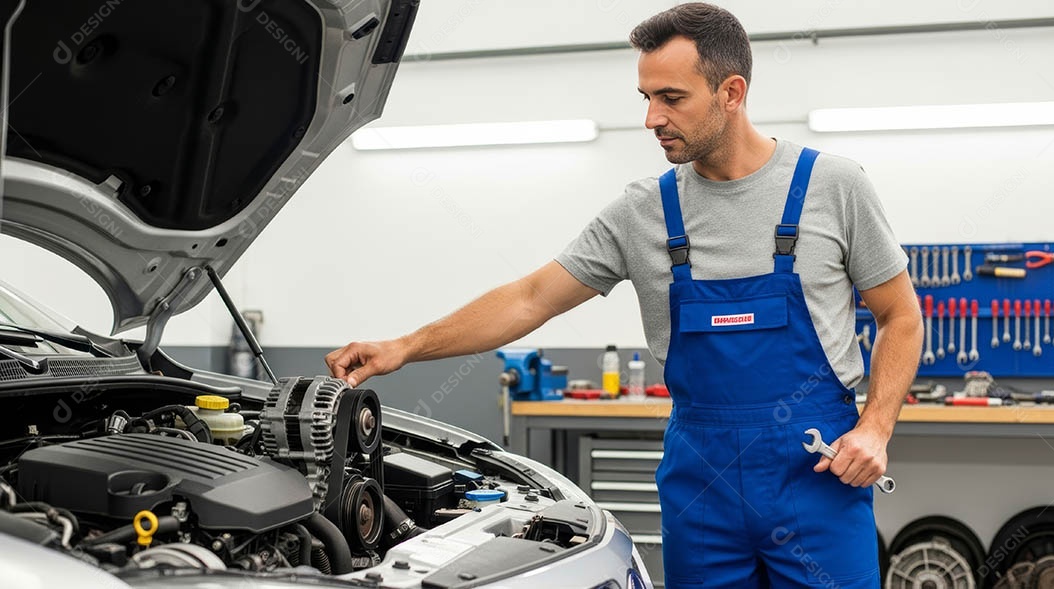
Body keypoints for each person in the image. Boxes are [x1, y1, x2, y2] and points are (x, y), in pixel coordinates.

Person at [327, 3, 922, 586]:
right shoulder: (642, 213)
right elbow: (531, 297)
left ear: (731, 92)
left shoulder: (834, 187)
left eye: (671, 98)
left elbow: (901, 317)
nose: (651, 119)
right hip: (703, 489)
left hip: (817, 473)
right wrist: (404, 347)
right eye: (646, 99)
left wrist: (876, 427)